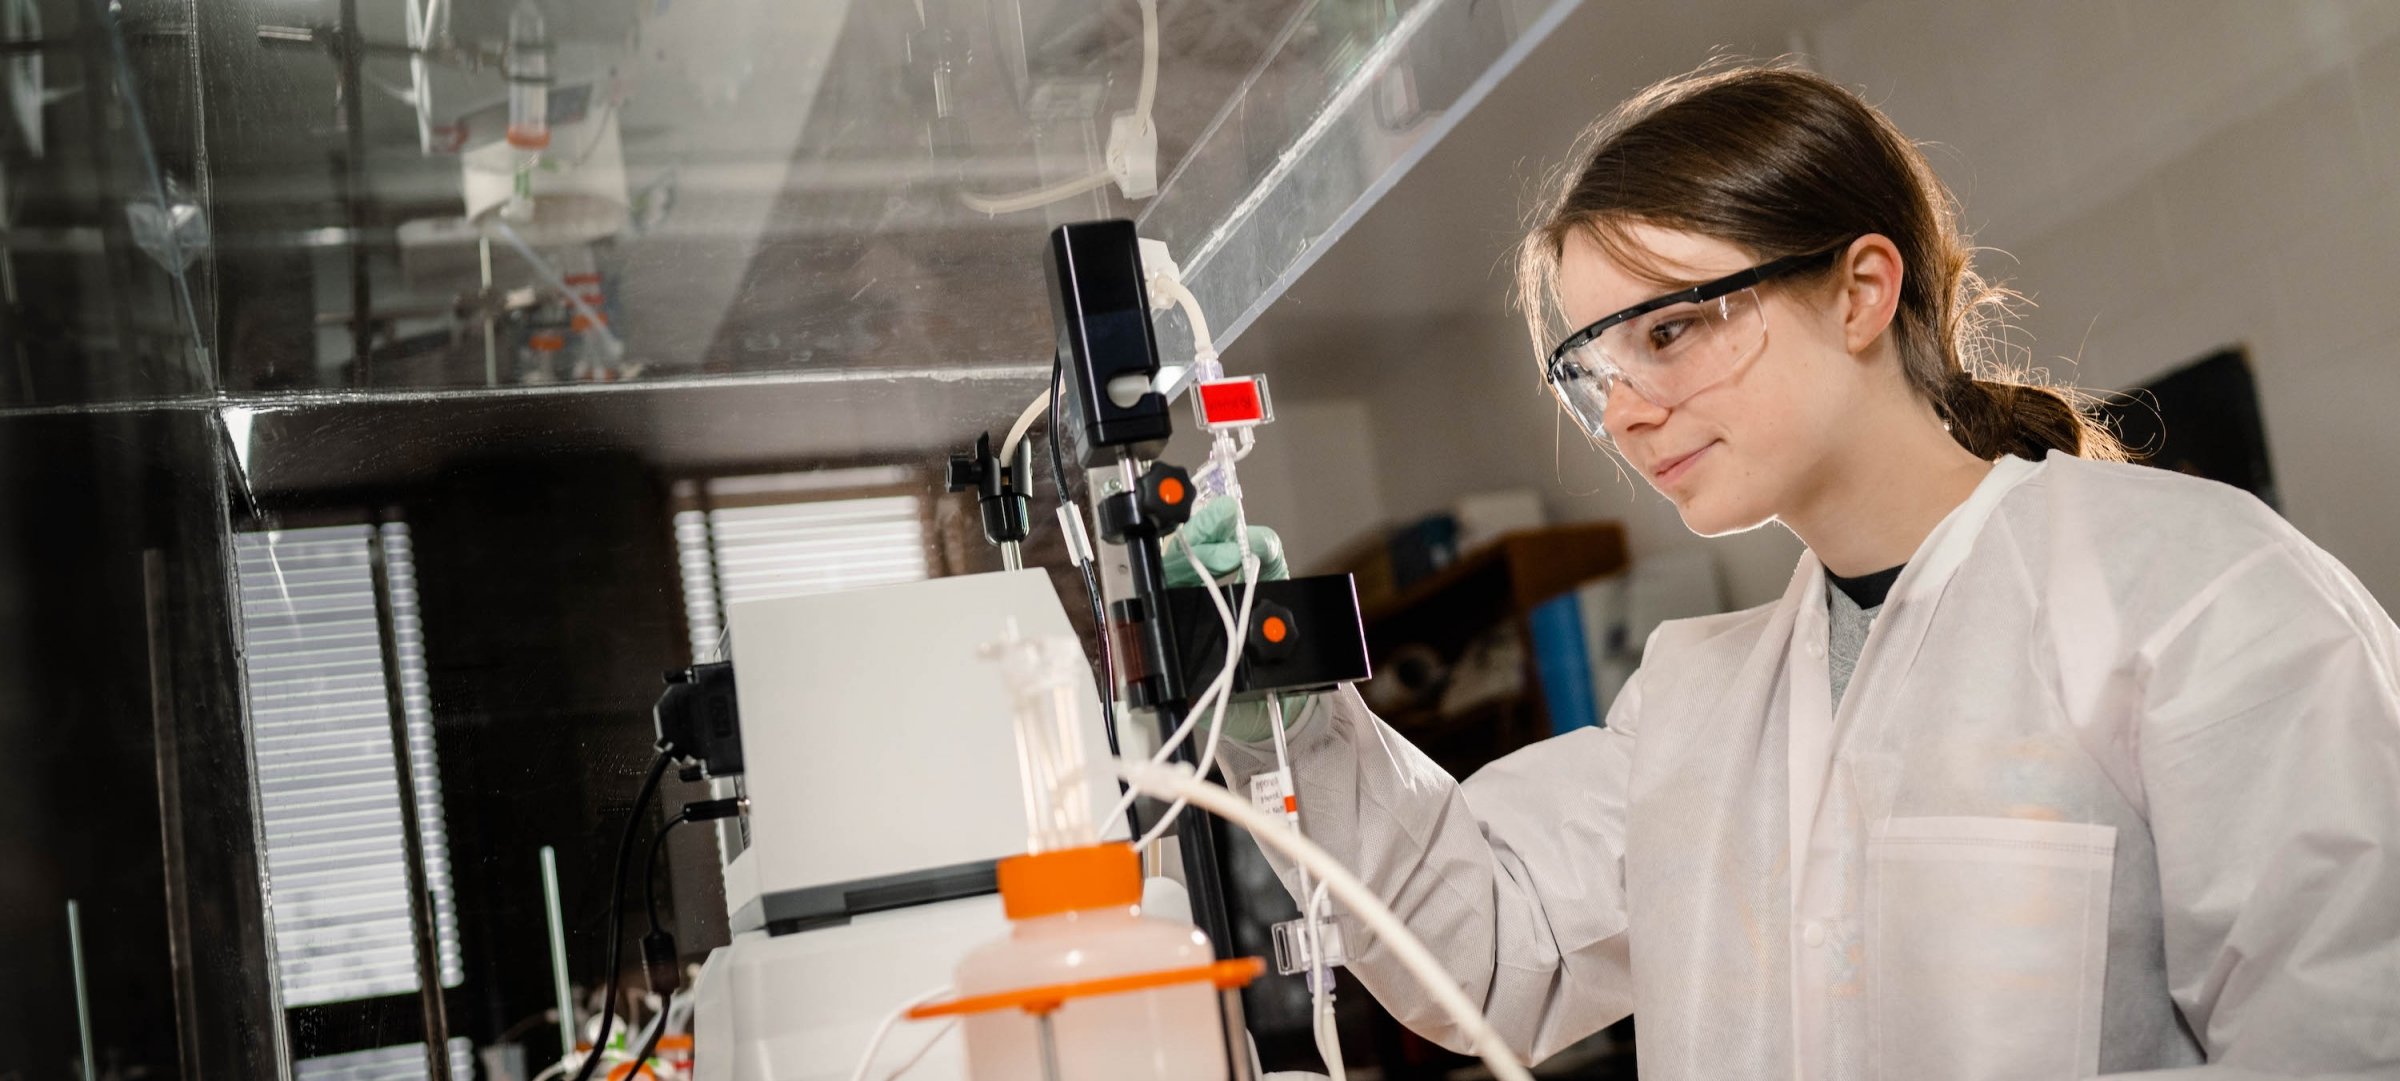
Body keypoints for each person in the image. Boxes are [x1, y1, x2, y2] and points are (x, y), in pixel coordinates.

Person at [1165, 62, 2400, 1079]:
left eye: (1669, 329)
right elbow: (1486, 941)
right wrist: (1295, 718)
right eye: (1594, 371)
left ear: (1863, 288)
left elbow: (2347, 1031)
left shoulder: (2195, 592)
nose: (1634, 409)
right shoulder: (1699, 705)